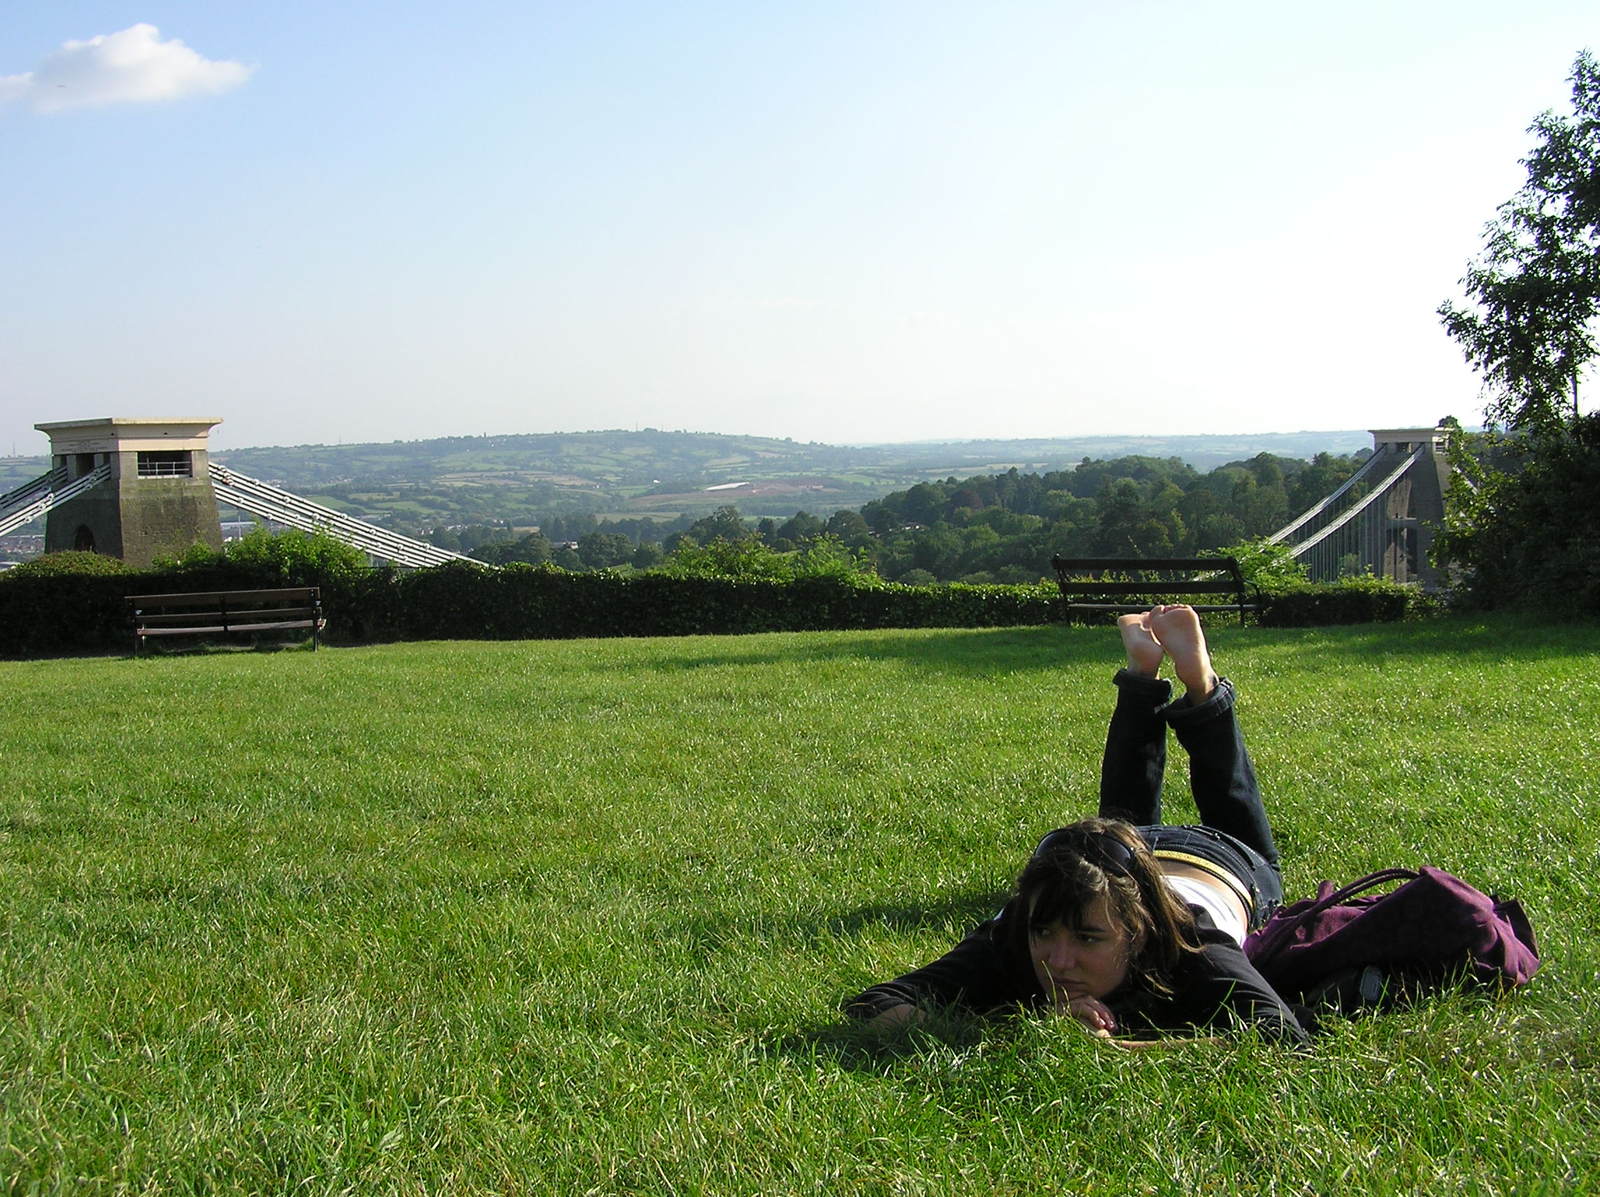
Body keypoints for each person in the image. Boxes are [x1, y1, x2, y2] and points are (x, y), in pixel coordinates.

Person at [844, 604, 1308, 1045]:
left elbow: (1280, 1032)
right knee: (1116, 826)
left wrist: (1118, 1048)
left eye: (1088, 937)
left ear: (1140, 932)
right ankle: (1155, 677)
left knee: (1233, 818)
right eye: (1044, 933)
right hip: (1117, 856)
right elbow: (874, 1003)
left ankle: (1182, 681)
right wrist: (1026, 1029)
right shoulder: (1016, 935)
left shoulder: (1188, 942)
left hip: (1219, 861)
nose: (1058, 962)